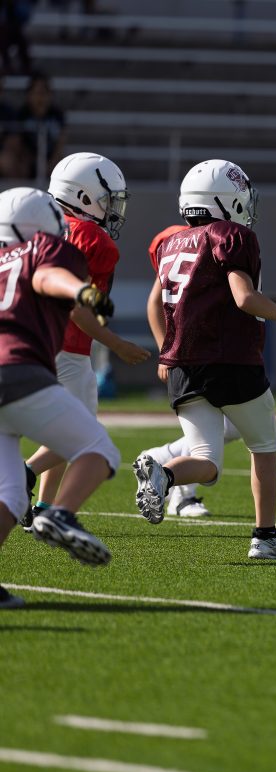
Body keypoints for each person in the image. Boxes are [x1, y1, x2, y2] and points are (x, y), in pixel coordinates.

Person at [133, 160, 276, 559]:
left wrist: (165, 349)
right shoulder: (231, 234)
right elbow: (244, 297)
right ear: (225, 200)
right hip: (231, 360)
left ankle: (165, 474)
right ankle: (265, 537)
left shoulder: (172, 242)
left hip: (183, 364)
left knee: (206, 461)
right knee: (264, 445)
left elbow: (156, 303)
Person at [0, 187, 121, 608]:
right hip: (17, 370)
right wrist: (81, 290)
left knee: (11, 494)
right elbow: (46, 276)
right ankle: (59, 512)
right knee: (99, 448)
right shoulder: (44, 248)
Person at [20, 153, 149, 529]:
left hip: (26, 338)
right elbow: (76, 309)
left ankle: (44, 506)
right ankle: (22, 474)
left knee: (61, 428)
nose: (112, 208)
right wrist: (117, 344)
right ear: (83, 195)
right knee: (81, 433)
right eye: (107, 199)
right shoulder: (93, 238)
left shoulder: (37, 224)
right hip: (68, 348)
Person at [135, 223, 240, 518]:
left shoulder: (218, 236)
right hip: (196, 355)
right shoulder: (183, 238)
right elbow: (155, 301)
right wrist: (165, 351)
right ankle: (180, 491)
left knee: (232, 427)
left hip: (215, 353)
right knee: (212, 443)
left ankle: (162, 459)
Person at [17, 73, 66, 179]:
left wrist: (51, 162)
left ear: (50, 94)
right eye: (37, 93)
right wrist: (34, 162)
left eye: (44, 93)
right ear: (29, 95)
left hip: (51, 159)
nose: (40, 98)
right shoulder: (22, 114)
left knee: (64, 167)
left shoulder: (57, 114)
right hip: (27, 160)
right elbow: (18, 143)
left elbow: (61, 142)